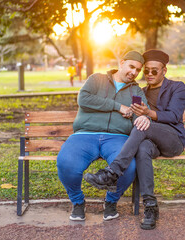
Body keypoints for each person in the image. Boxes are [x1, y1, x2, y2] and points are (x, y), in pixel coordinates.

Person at [84, 49, 185, 230]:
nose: (149, 74)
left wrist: (148, 114)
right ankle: (150, 206)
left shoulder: (177, 87)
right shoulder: (139, 91)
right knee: (142, 148)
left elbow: (175, 116)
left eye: (154, 70)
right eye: (145, 70)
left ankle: (112, 172)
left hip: (172, 140)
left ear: (164, 70)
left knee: (142, 126)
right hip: (150, 142)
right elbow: (133, 115)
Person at [57, 51, 151, 222]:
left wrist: (144, 116)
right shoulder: (97, 79)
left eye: (138, 70)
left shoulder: (135, 91)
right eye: (131, 67)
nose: (134, 72)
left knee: (128, 167)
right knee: (66, 162)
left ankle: (111, 202)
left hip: (117, 138)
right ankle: (78, 202)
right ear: (121, 63)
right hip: (85, 134)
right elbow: (84, 99)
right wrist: (118, 107)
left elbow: (140, 114)